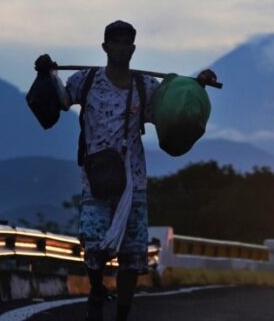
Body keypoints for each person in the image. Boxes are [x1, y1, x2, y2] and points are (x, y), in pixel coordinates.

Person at [34, 20, 217, 321]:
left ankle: (121, 315)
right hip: (96, 179)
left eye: (127, 43)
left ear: (133, 48)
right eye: (115, 42)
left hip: (133, 183)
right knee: (93, 245)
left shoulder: (146, 87)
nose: (121, 48)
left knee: (132, 257)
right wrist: (49, 73)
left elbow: (171, 110)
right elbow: (64, 101)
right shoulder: (87, 80)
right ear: (105, 47)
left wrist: (197, 86)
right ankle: (95, 291)